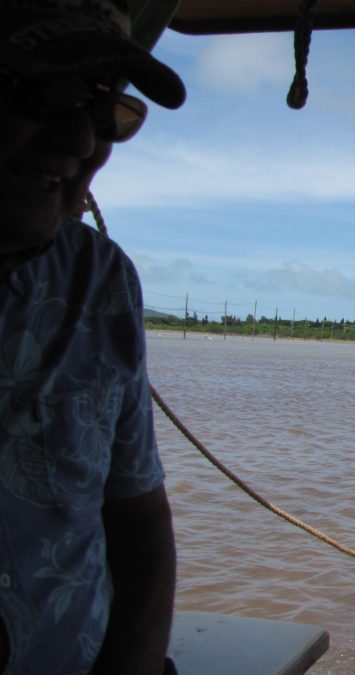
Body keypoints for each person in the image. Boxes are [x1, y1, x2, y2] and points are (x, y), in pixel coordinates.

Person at [0, 0, 186, 672]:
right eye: (45, 92)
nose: (83, 140)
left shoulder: (100, 281)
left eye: (104, 107)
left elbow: (138, 522)